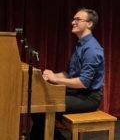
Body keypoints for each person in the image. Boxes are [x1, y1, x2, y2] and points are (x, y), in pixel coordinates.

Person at [30, 8, 104, 140]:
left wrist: (56, 80)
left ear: (89, 24)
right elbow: (70, 74)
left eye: (78, 19)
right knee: (37, 102)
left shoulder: (92, 49)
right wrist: (53, 75)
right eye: (73, 19)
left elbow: (83, 82)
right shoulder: (80, 45)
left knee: (42, 107)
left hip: (88, 98)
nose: (73, 22)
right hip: (76, 93)